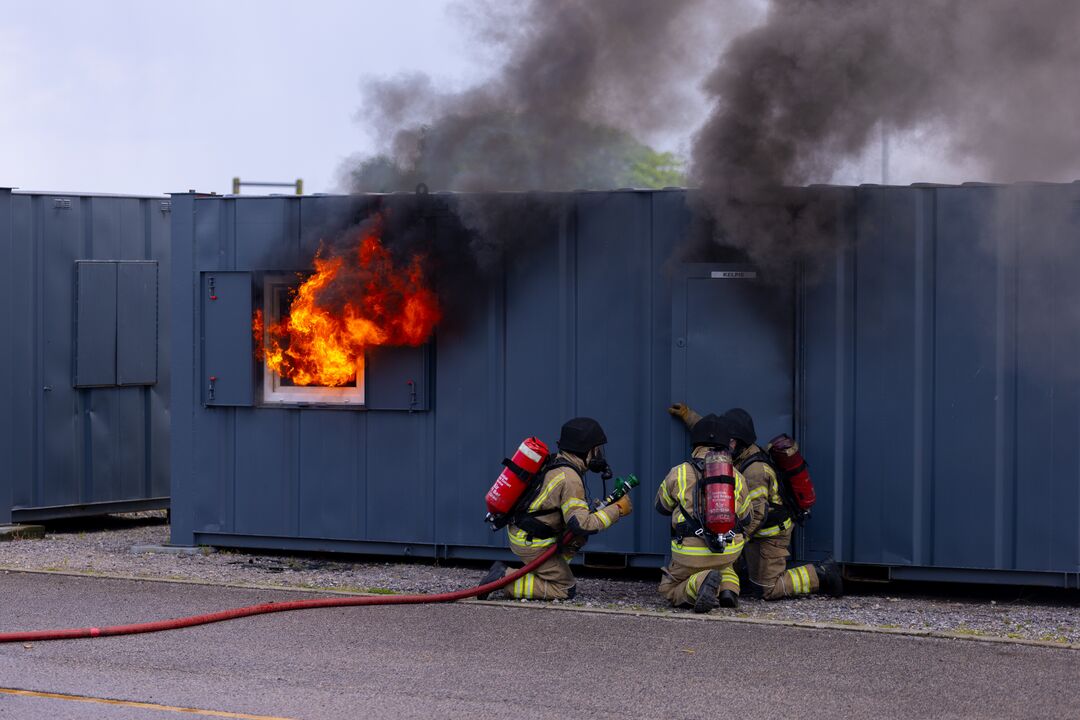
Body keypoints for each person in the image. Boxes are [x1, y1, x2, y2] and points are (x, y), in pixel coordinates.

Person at [669, 403, 843, 599]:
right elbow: (713, 434)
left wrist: (733, 541)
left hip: (769, 535)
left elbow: (757, 515)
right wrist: (687, 415)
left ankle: (822, 574)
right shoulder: (739, 453)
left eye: (731, 442)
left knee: (766, 588)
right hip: (756, 533)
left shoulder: (755, 471)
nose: (726, 445)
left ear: (741, 442)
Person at [477, 417, 632, 601]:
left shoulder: (557, 463)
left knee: (578, 536)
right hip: (532, 541)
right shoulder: (570, 478)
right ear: (585, 450)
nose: (599, 455)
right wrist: (618, 510)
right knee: (565, 589)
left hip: (526, 531)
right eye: (596, 450)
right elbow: (582, 524)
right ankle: (504, 579)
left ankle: (548, 568)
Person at [655, 414, 753, 612]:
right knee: (725, 565)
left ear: (695, 444)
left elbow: (662, 507)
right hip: (728, 550)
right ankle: (729, 589)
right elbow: (746, 517)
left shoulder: (679, 473)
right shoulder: (737, 476)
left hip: (690, 554)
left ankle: (699, 583)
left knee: (668, 588)